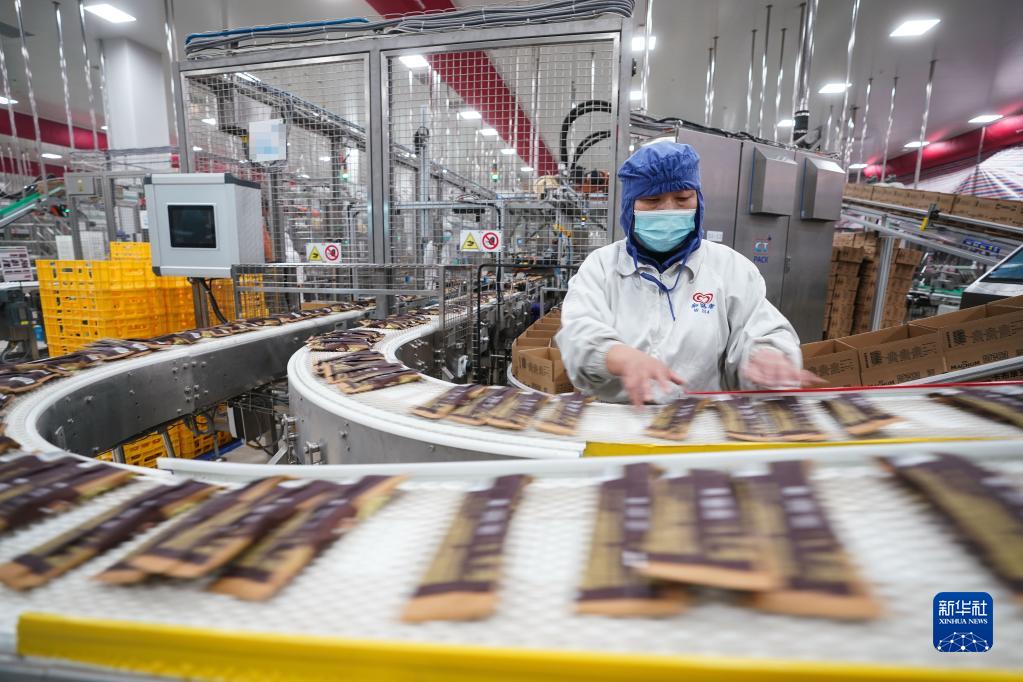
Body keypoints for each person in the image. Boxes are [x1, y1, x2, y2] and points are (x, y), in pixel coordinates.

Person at [555, 142, 818, 406]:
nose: (668, 210)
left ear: (698, 200)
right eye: (652, 200)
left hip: (702, 421)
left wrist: (767, 355)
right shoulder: (601, 267)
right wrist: (617, 355)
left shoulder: (729, 268)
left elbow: (762, 328)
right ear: (629, 205)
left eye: (682, 199)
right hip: (619, 418)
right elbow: (579, 333)